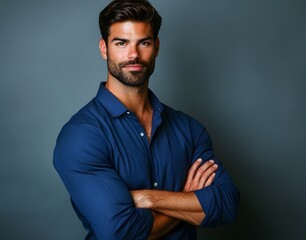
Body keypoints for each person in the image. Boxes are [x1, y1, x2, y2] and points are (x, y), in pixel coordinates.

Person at [53, 0, 240, 239]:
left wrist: (149, 198)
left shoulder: (189, 129)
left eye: (144, 43)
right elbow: (121, 234)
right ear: (104, 48)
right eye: (121, 43)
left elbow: (227, 203)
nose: (133, 54)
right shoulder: (81, 136)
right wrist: (185, 198)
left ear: (157, 47)